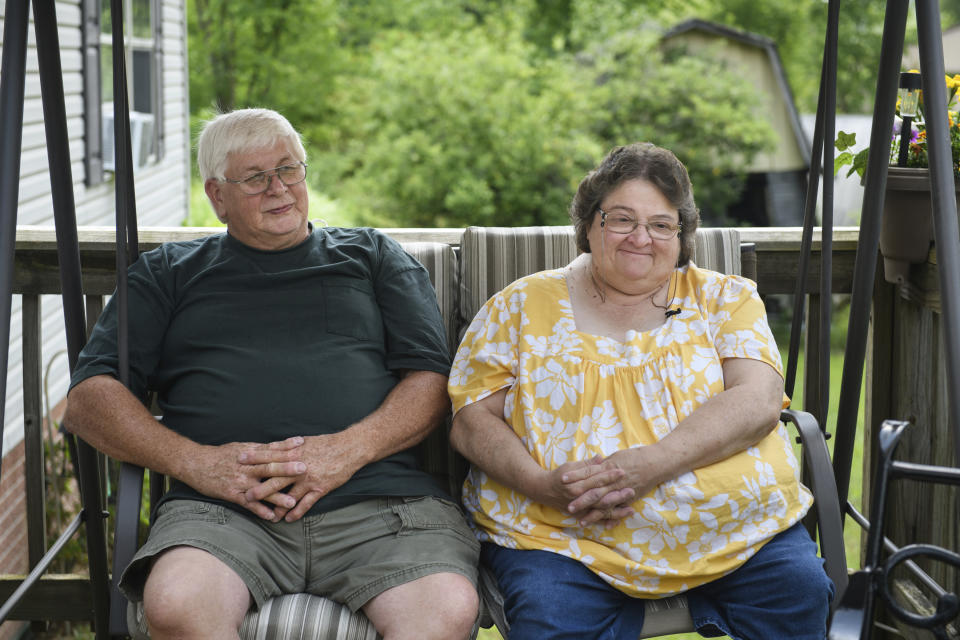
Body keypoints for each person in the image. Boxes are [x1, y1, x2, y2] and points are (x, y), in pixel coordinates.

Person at [64, 108, 479, 640]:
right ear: (217, 196)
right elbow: (89, 400)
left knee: (442, 611)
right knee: (176, 605)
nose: (279, 188)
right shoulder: (169, 273)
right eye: (256, 178)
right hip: (221, 513)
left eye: (290, 169)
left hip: (379, 506)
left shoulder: (371, 256)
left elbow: (430, 380)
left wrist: (345, 451)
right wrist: (201, 465)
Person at [448, 142, 833, 640]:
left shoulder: (725, 298)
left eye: (660, 224)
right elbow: (471, 419)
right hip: (563, 536)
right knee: (551, 618)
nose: (641, 238)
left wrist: (654, 464)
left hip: (737, 531)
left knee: (799, 594)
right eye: (622, 219)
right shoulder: (521, 305)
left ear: (681, 234)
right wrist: (543, 486)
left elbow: (757, 401)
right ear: (590, 224)